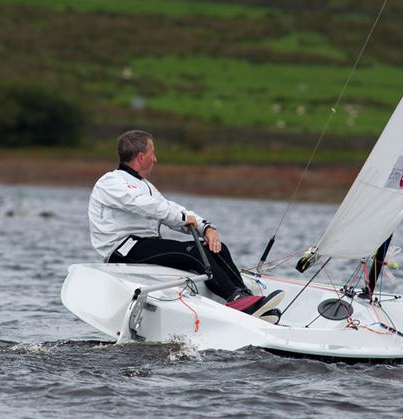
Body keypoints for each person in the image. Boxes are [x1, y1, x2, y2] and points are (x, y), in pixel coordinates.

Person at [88, 130, 283, 321]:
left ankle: (246, 298)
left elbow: (168, 208)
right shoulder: (111, 182)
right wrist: (183, 218)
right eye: (152, 153)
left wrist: (205, 227)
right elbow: (147, 207)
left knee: (216, 249)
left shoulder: (145, 185)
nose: (155, 159)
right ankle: (235, 298)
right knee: (193, 251)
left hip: (145, 244)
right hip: (123, 249)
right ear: (140, 157)